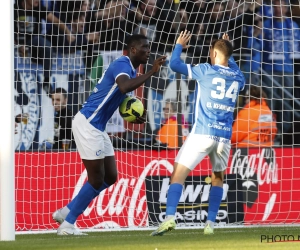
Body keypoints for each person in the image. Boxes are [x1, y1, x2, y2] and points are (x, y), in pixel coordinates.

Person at [52, 34, 166, 235]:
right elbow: (124, 87)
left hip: (98, 126)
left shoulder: (130, 69)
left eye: (149, 47)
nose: (148, 50)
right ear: (132, 50)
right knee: (96, 179)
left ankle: (67, 210)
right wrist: (152, 72)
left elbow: (121, 98)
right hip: (88, 123)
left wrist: (135, 114)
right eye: (144, 47)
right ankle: (68, 224)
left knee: (111, 176)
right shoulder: (121, 64)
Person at [151, 31, 245, 236]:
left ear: (212, 53)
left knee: (178, 173)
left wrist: (178, 45)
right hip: (224, 137)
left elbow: (174, 64)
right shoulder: (239, 77)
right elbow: (232, 64)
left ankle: (168, 218)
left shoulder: (205, 70)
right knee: (218, 177)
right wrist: (228, 48)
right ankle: (210, 224)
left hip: (203, 133)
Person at [14, 0, 75, 94]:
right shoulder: (14, 10)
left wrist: (68, 32)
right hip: (16, 44)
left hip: (34, 44)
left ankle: (46, 80)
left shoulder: (39, 9)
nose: (38, 1)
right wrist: (17, 46)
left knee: (45, 44)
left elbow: (56, 21)